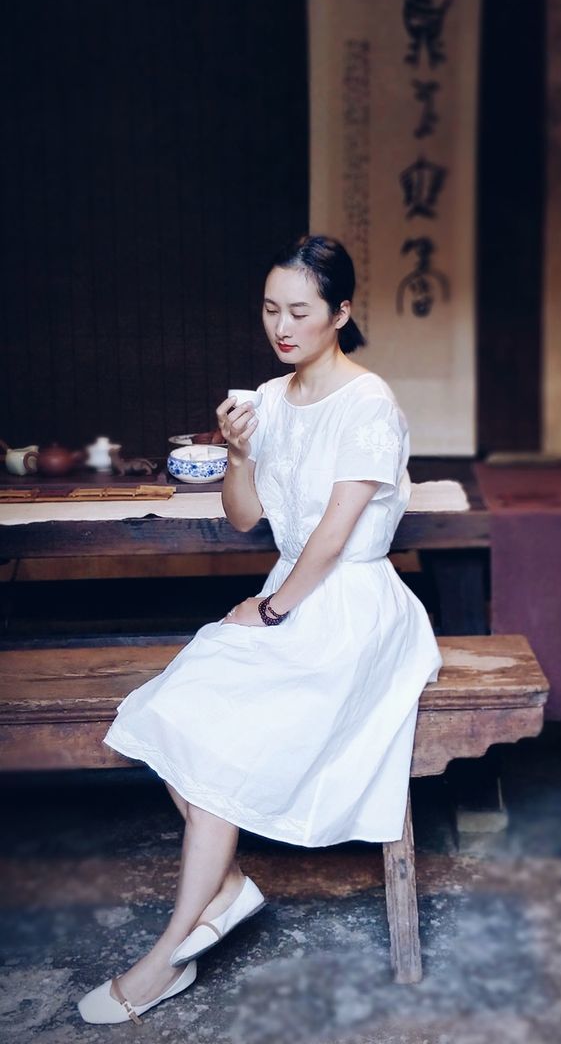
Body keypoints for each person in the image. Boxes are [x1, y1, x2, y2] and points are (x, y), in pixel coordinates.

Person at [78, 234, 442, 1025]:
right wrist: (239, 451)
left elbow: (338, 533)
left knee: (216, 740)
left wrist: (273, 610)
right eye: (271, 309)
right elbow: (246, 516)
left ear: (340, 313)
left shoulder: (369, 402)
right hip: (288, 590)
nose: (281, 326)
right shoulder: (269, 400)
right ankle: (229, 890)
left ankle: (168, 951)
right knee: (161, 715)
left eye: (300, 311)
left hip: (350, 608)